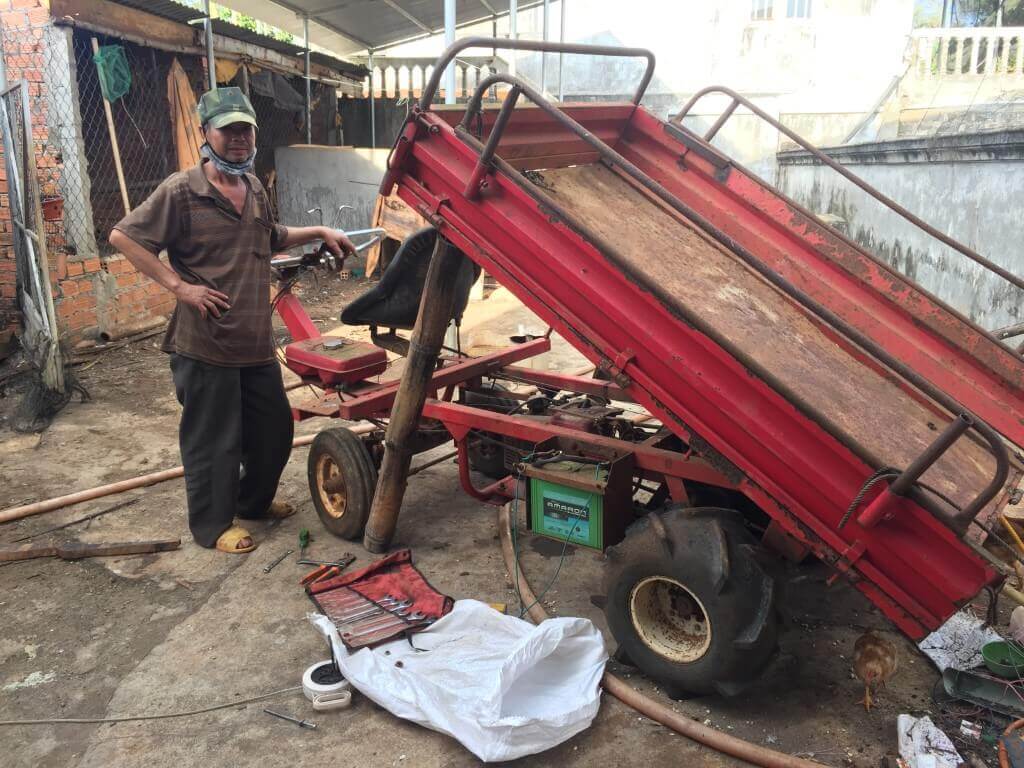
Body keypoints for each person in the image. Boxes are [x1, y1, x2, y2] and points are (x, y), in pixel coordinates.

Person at [109, 87, 354, 554]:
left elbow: (271, 235)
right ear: (206, 133)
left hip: (254, 342)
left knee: (273, 433)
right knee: (214, 442)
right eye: (228, 130)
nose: (239, 138)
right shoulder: (182, 191)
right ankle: (213, 526)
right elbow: (124, 237)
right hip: (204, 344)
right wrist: (180, 287)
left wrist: (320, 230)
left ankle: (251, 504)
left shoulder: (254, 187)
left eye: (246, 129)